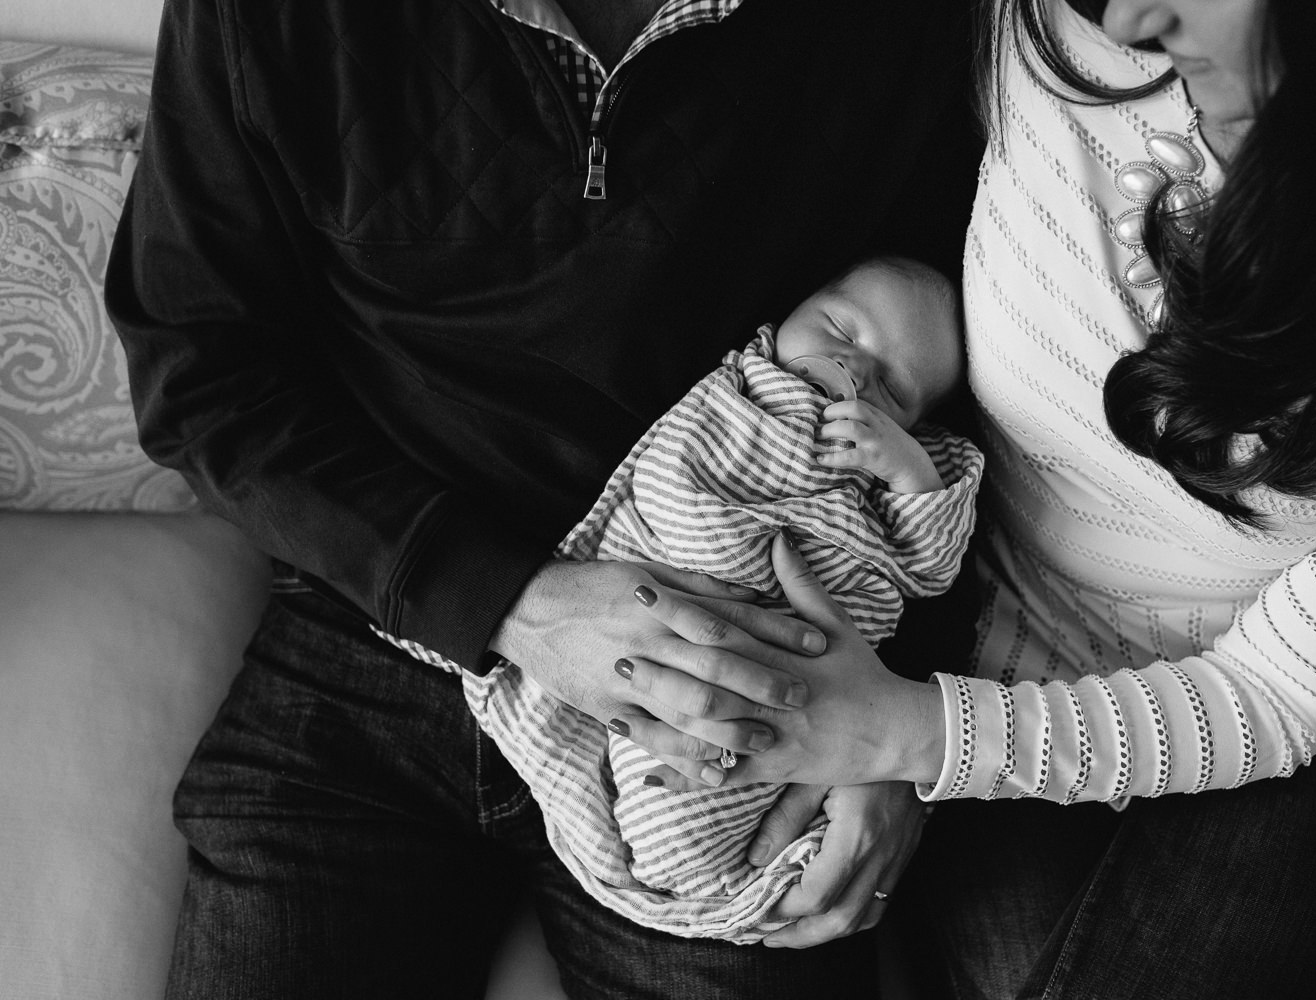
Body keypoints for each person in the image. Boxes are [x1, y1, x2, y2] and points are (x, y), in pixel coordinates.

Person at [103, 0, 981, 996]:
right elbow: (200, 374)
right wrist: (511, 602)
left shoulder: (905, 25)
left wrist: (899, 739)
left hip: (742, 691)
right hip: (373, 650)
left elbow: (970, 390)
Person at [620, 0, 1316, 994]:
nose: (1132, 13)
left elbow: (1282, 695)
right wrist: (880, 697)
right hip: (1006, 647)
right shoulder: (1052, 30)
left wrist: (899, 732)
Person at [415, 256, 980, 942]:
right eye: (840, 329)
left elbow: (929, 569)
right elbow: (674, 479)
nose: (854, 373)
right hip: (603, 606)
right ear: (792, 311)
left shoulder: (895, 466)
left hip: (801, 677)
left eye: (892, 386)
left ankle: (707, 881)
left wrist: (912, 474)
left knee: (698, 794)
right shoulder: (743, 385)